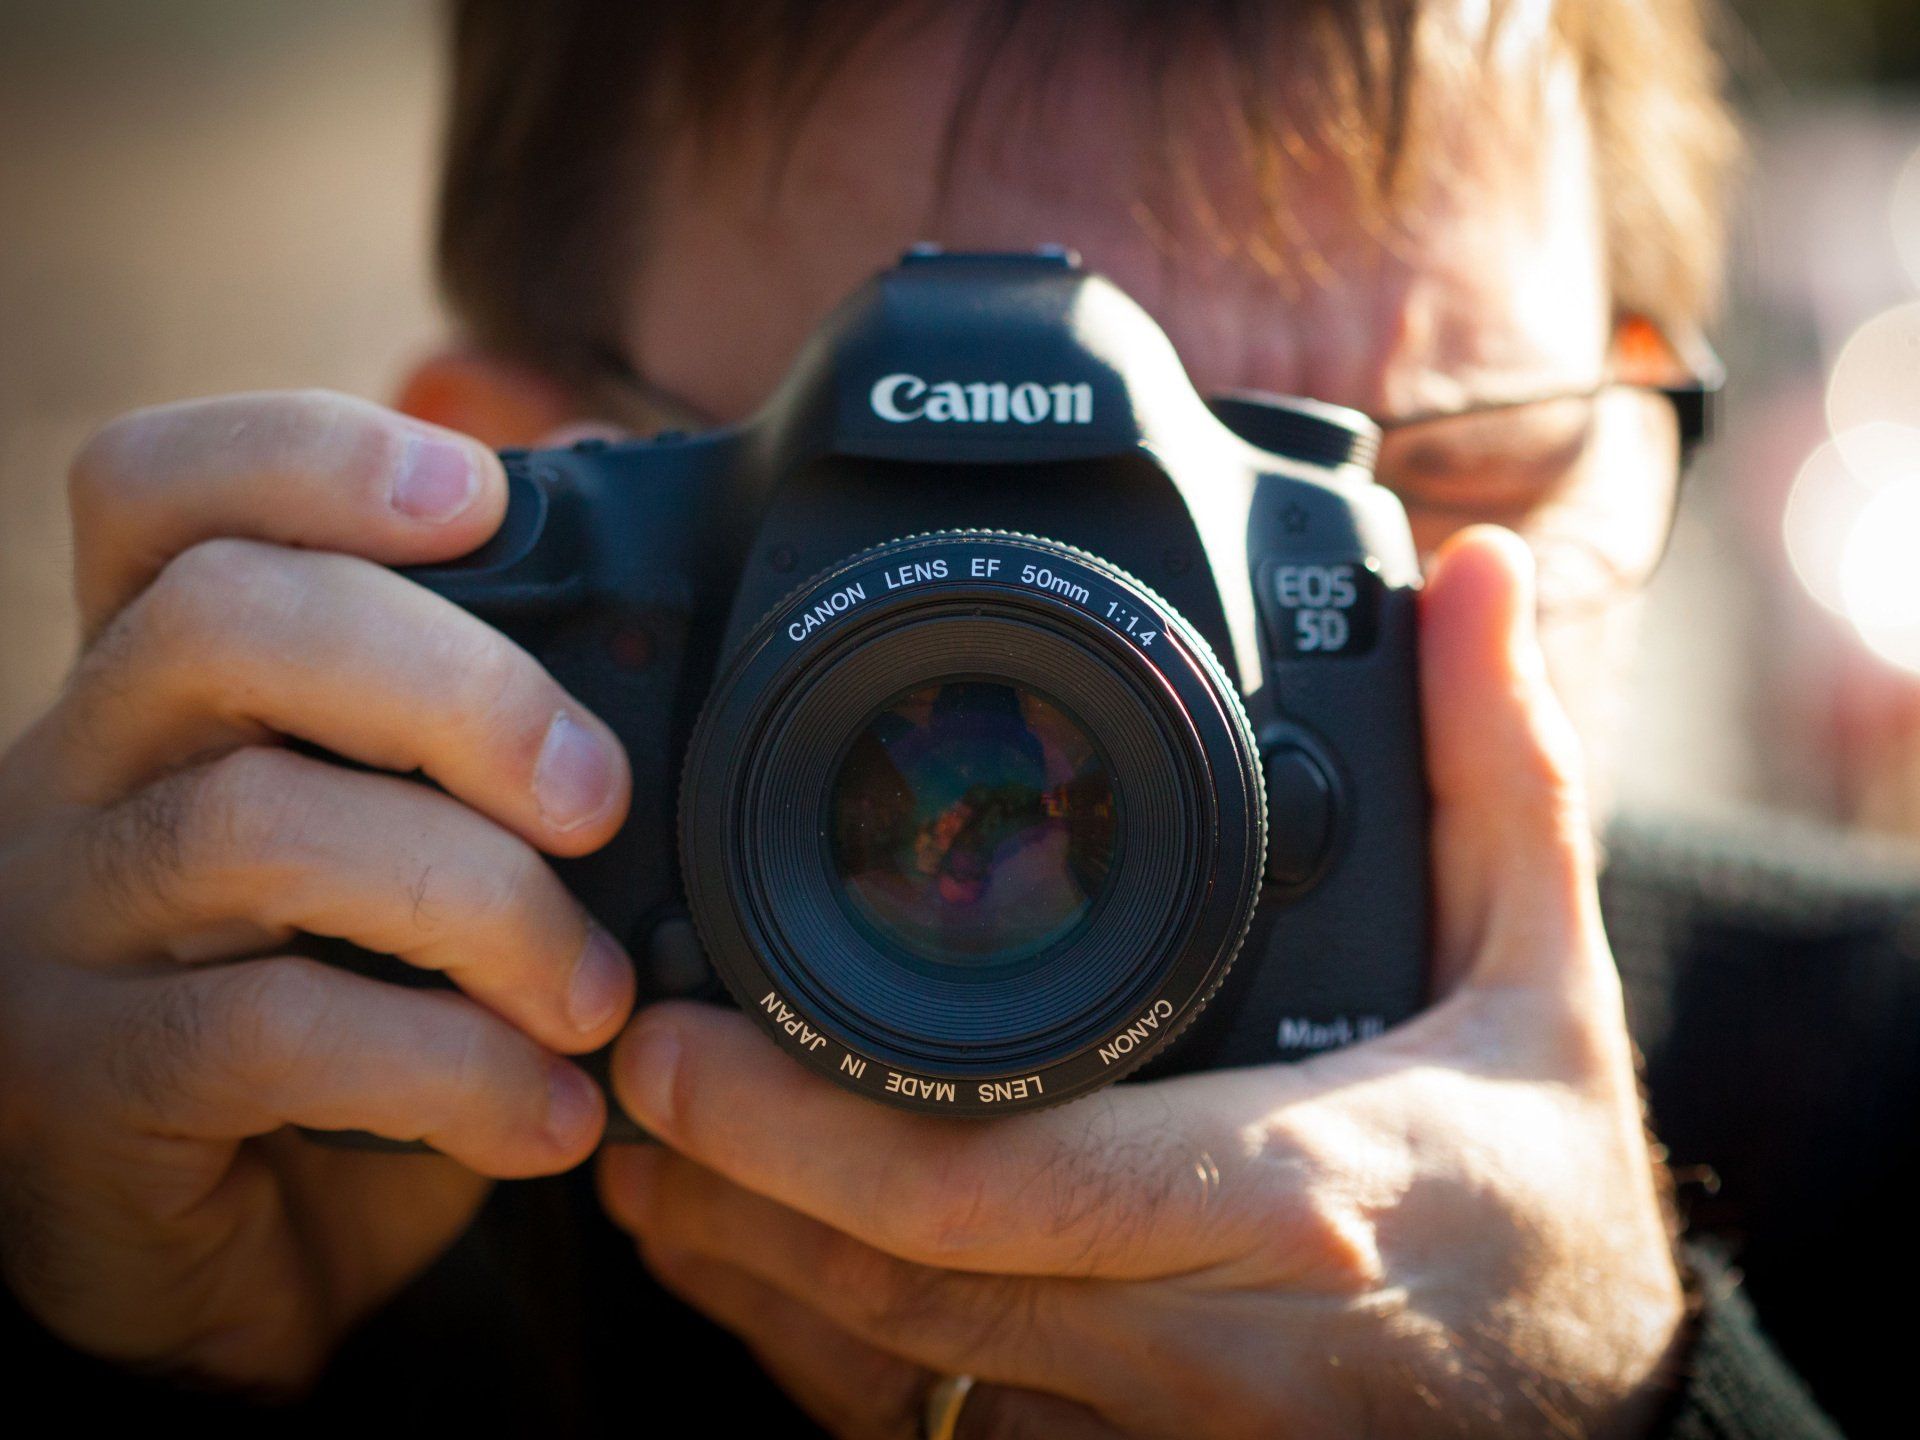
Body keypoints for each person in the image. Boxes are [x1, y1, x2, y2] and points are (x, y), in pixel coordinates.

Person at [0, 2, 1907, 1435]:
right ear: (519, 501)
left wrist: (1627, 1405)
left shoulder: (1889, 1094)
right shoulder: (320, 1170)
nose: (1191, 702)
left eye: (1440, 475)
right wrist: (130, 1340)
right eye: (976, 559)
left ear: (1642, 452)